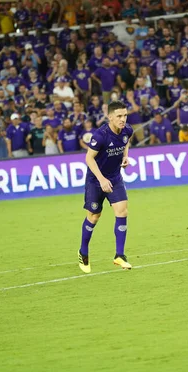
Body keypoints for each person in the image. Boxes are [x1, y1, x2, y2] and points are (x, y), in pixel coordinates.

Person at [79, 101, 133, 274]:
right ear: (110, 117)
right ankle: (83, 252)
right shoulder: (100, 135)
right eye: (119, 116)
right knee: (94, 217)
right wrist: (101, 179)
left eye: (124, 115)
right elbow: (89, 158)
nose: (123, 119)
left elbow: (126, 142)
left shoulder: (127, 130)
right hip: (96, 181)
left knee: (122, 211)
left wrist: (125, 156)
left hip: (115, 178)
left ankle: (119, 255)